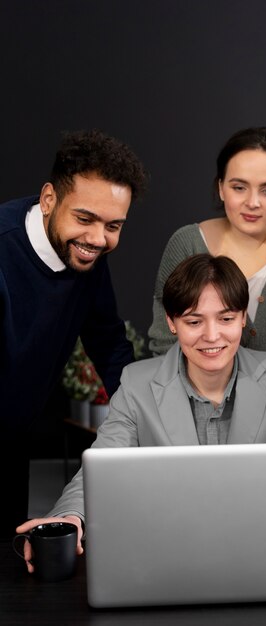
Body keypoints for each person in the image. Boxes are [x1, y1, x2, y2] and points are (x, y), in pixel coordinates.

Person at [17, 254, 266, 564]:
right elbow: (98, 466)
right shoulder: (136, 383)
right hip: (166, 553)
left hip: (260, 549)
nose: (212, 336)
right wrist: (70, 516)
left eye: (226, 318)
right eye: (194, 321)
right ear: (172, 322)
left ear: (242, 317)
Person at [0, 129, 147, 538]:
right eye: (85, 218)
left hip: (14, 442)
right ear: (49, 199)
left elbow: (110, 346)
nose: (98, 239)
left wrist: (145, 421)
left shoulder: (87, 258)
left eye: (113, 225)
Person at [148, 126, 266, 425]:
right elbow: (165, 341)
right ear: (221, 187)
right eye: (239, 187)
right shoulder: (186, 242)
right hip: (198, 414)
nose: (253, 202)